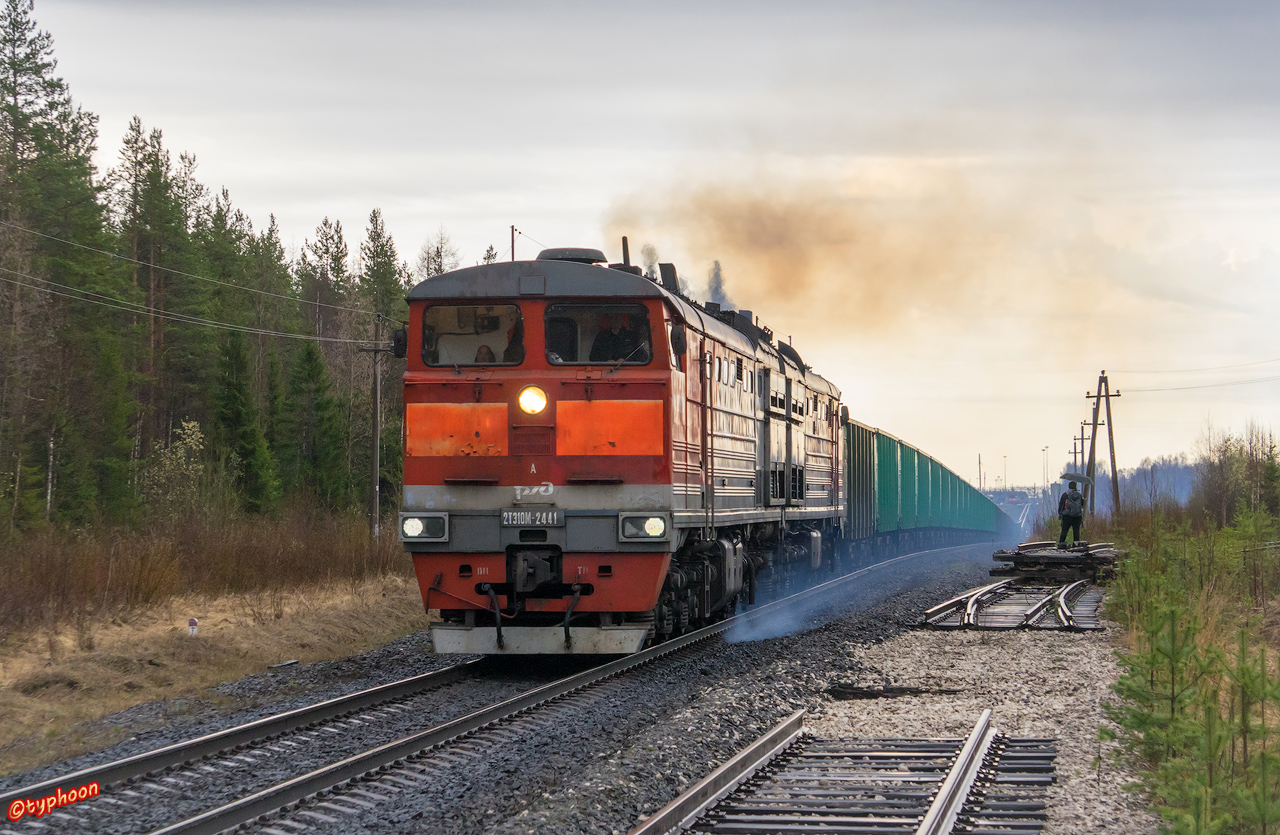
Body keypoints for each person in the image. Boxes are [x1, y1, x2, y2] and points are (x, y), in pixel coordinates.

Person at [1058, 481, 1085, 548]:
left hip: (1067, 516)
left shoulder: (1065, 495)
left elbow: (1061, 505)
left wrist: (1059, 514)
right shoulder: (1079, 495)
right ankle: (1076, 543)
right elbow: (1082, 504)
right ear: (1075, 487)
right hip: (1077, 516)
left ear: (1069, 487)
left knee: (1064, 530)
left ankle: (1061, 543)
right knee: (1076, 530)